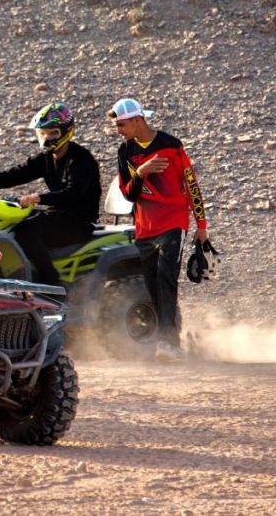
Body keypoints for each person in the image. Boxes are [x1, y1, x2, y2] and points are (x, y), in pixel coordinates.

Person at [0, 102, 101, 287]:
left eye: (53, 133)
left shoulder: (81, 159)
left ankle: (53, 284)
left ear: (66, 131)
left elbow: (74, 193)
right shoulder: (46, 158)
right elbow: (13, 175)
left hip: (79, 222)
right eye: (43, 133)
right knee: (8, 223)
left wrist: (39, 198)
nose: (47, 138)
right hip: (57, 214)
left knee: (26, 231)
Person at [108, 97, 209, 363]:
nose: (118, 130)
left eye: (121, 124)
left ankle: (168, 342)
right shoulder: (125, 152)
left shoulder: (171, 146)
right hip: (144, 228)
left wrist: (202, 225)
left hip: (173, 223)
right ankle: (166, 337)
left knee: (166, 278)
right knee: (152, 285)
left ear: (138, 120)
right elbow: (129, 195)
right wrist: (140, 172)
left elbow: (191, 185)